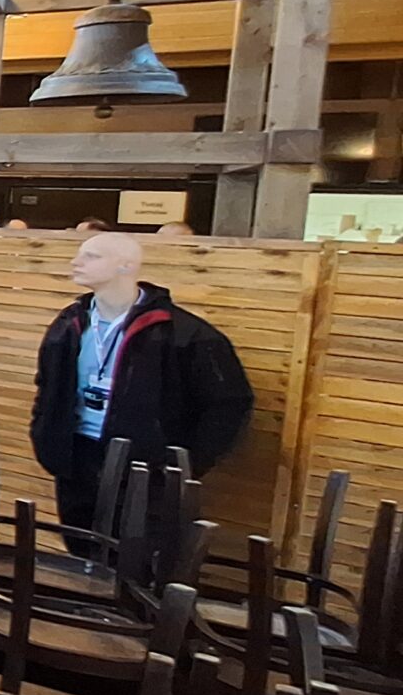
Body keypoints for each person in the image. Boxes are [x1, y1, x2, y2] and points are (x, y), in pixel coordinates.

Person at [30, 230, 252, 537]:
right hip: (76, 455)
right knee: (80, 542)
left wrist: (183, 464)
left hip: (146, 467)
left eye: (91, 256)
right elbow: (47, 384)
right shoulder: (69, 323)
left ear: (126, 265)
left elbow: (228, 403)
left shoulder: (184, 333)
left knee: (136, 550)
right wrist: (46, 436)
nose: (75, 262)